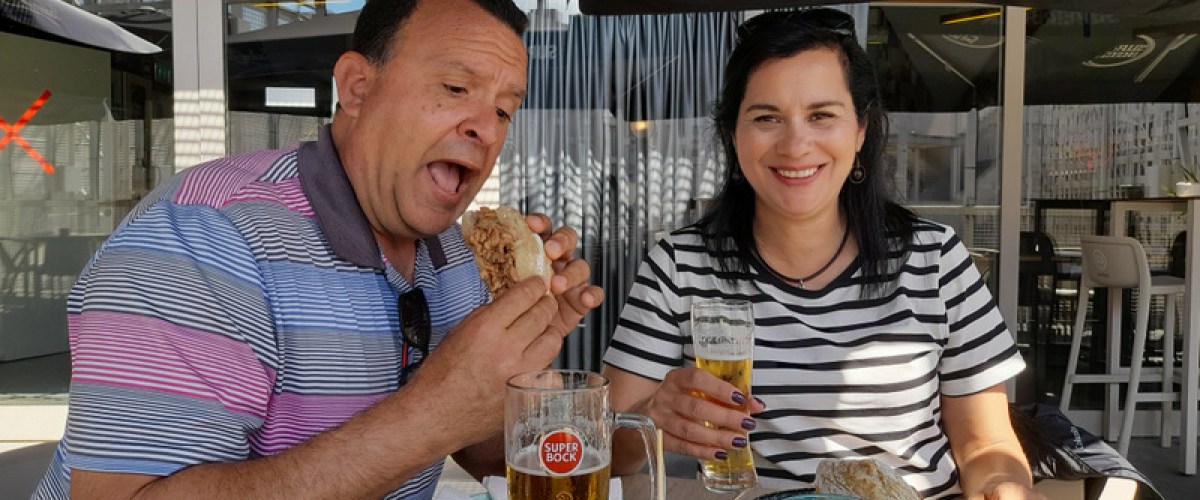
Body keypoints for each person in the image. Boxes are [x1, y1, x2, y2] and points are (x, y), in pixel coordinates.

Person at [32, 0, 603, 498]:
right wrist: (430, 414)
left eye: (505, 109)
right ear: (357, 87)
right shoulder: (200, 239)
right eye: (456, 88)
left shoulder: (454, 256)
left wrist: (518, 363)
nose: (488, 127)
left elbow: (480, 453)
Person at [602, 9, 1042, 500]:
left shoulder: (934, 258)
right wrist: (653, 416)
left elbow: (986, 442)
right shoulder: (679, 265)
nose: (795, 144)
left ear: (859, 131)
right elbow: (612, 447)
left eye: (822, 115)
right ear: (732, 135)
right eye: (767, 118)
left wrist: (1005, 487)